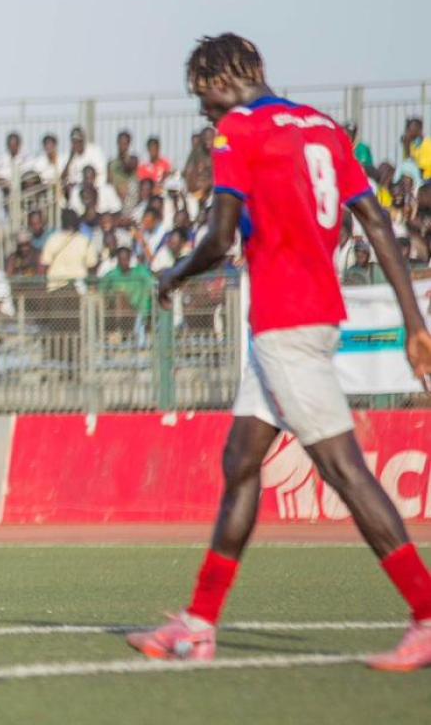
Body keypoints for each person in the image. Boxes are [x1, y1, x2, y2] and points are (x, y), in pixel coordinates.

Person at [126, 34, 431, 672]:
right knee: (241, 460)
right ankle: (200, 624)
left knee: (344, 471)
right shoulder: (323, 127)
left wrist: (173, 276)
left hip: (285, 323)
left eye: (202, 99)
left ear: (219, 82)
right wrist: (413, 323)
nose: (205, 114)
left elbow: (218, 238)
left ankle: (427, 613)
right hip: (308, 318)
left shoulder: (238, 130)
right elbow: (377, 223)